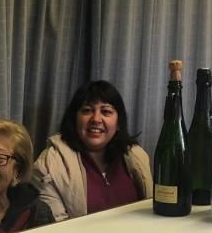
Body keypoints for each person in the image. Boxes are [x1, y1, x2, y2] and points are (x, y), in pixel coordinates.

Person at [34, 80, 152, 221]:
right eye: (87, 110)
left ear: (118, 122)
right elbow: (57, 230)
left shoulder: (136, 155)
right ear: (74, 119)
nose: (96, 119)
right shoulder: (50, 163)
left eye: (106, 111)